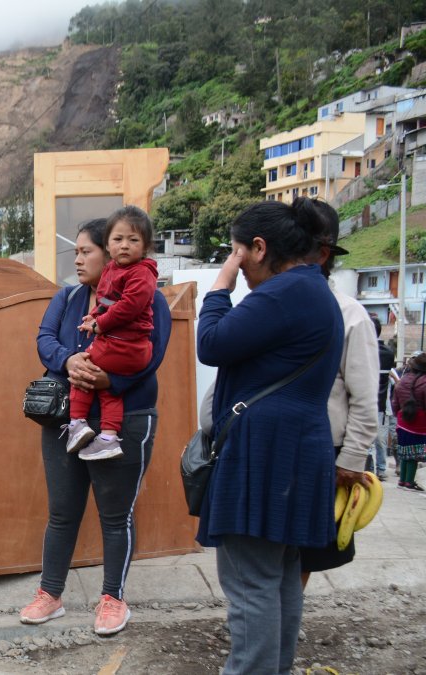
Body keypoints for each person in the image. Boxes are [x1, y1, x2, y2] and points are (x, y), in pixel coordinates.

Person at [197, 198, 343, 675]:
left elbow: (212, 343)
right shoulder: (312, 288)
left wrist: (218, 286)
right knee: (277, 579)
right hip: (298, 446)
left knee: (251, 584)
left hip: (266, 450)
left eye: (238, 254)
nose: (236, 268)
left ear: (259, 248)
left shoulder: (284, 292)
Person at [19, 217, 171, 636]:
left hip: (127, 417)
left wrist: (109, 379)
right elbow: (45, 339)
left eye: (87, 250)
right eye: (77, 252)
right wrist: (70, 361)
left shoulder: (149, 298)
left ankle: (113, 599)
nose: (79, 258)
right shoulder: (67, 298)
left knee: (115, 514)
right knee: (62, 512)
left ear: (110, 254)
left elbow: (153, 355)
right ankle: (50, 594)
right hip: (68, 418)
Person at [299, 199, 377, 585]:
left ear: (322, 255)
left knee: (302, 556)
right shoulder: (270, 307)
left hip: (325, 454)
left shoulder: (350, 315)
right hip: (281, 445)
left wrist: (351, 458)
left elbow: (365, 398)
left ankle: (280, 629)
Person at [67, 206, 159, 461]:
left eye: (133, 240)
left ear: (146, 245)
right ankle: (108, 436)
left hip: (127, 347)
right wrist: (95, 315)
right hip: (123, 351)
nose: (125, 246)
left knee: (83, 365)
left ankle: (76, 422)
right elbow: (107, 302)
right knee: (109, 390)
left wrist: (99, 325)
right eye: (118, 239)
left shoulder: (141, 274)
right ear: (109, 245)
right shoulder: (111, 272)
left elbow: (128, 306)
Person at [393, 351, 426, 491]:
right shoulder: (424, 382)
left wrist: (399, 415)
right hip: (419, 422)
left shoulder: (402, 381)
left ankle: (402, 480)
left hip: (402, 421)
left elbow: (395, 403)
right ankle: (409, 482)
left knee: (404, 452)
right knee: (414, 453)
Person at [373, 317, 395, 480]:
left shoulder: (367, 351)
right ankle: (380, 469)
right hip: (380, 404)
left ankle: (375, 468)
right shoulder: (387, 352)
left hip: (370, 403)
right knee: (379, 439)